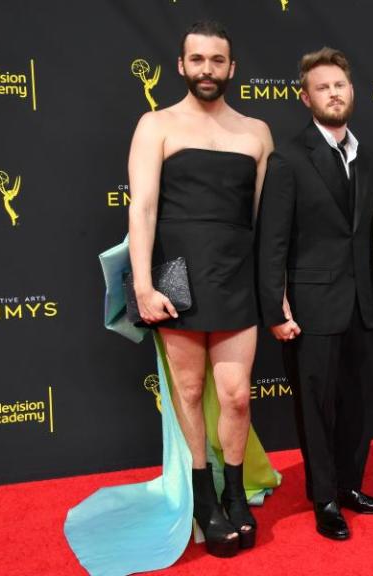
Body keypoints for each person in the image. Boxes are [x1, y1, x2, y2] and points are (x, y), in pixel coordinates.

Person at [65, 21, 279, 572]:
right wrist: (142, 284)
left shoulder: (257, 131)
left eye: (217, 60)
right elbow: (142, 209)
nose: (207, 69)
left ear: (233, 69)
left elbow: (264, 220)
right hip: (176, 275)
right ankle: (204, 495)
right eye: (197, 59)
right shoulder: (155, 124)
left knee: (235, 396)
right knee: (187, 389)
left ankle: (235, 492)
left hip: (236, 277)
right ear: (181, 66)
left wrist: (271, 288)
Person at [257, 47, 373, 541]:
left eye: (339, 85)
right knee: (316, 407)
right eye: (322, 87)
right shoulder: (289, 159)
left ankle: (351, 485)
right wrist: (276, 305)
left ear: (351, 91)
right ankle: (326, 498)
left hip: (364, 308)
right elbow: (271, 241)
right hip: (310, 310)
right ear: (305, 97)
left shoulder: (371, 158)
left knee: (361, 402)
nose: (333, 94)